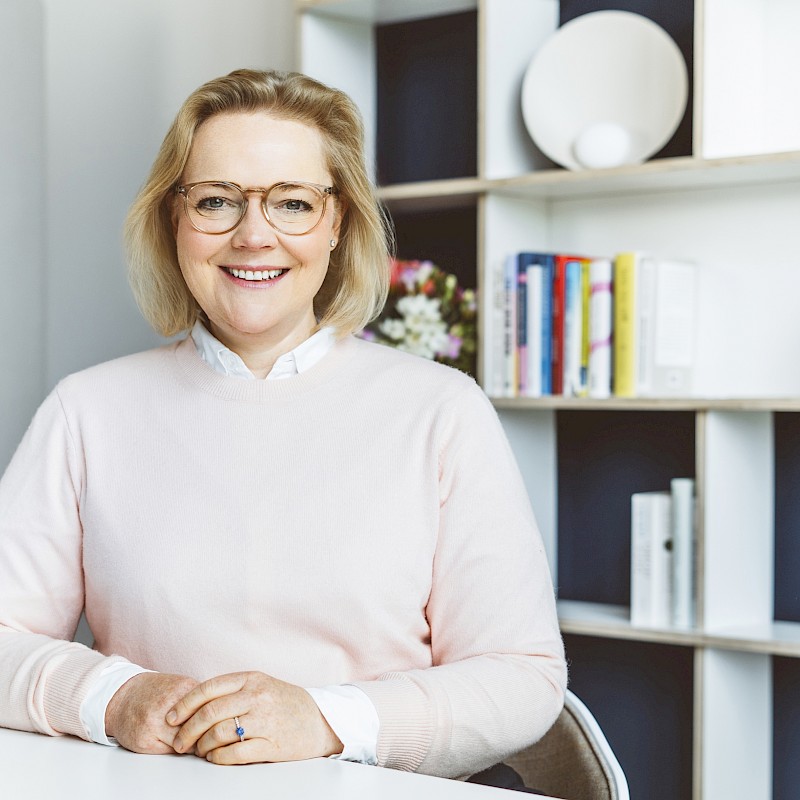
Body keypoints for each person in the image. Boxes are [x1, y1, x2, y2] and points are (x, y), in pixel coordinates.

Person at [0, 68, 566, 785]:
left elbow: (525, 678)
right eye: (216, 201)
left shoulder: (441, 411)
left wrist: (328, 720)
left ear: (338, 225)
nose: (253, 235)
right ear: (174, 220)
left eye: (292, 203)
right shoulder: (86, 410)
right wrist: (113, 698)